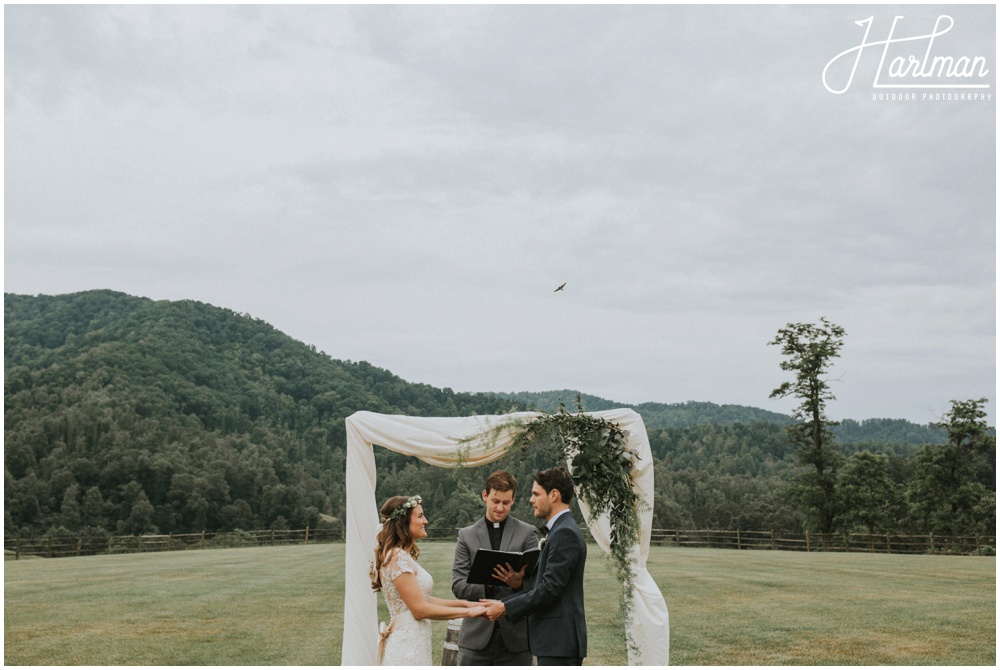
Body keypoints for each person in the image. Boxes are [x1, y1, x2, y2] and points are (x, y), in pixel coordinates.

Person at [481, 467, 588, 666]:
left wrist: (505, 606)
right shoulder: (560, 529)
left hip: (559, 642)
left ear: (554, 495)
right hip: (555, 642)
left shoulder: (566, 533)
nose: (531, 500)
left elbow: (549, 589)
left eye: (536, 494)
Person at [371, 495, 486, 666]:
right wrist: (469, 613)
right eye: (420, 516)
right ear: (403, 522)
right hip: (407, 647)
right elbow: (420, 609)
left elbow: (422, 600)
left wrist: (468, 604)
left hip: (415, 641)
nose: (425, 521)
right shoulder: (397, 557)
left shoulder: (401, 556)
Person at [451, 470, 539, 665]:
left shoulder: (527, 533)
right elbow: (458, 585)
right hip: (476, 639)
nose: (500, 508)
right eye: (495, 501)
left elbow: (538, 586)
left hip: (516, 641)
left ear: (513, 499)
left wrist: (518, 584)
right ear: (485, 496)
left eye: (506, 503)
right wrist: (489, 586)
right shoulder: (467, 536)